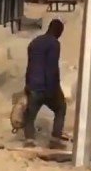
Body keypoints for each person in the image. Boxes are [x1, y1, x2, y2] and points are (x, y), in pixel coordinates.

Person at [22, 19, 67, 149]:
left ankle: (29, 139)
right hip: (46, 85)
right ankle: (55, 139)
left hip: (32, 84)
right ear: (57, 31)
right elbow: (51, 67)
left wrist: (27, 85)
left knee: (30, 114)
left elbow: (30, 65)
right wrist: (54, 88)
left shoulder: (34, 42)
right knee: (60, 108)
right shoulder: (54, 44)